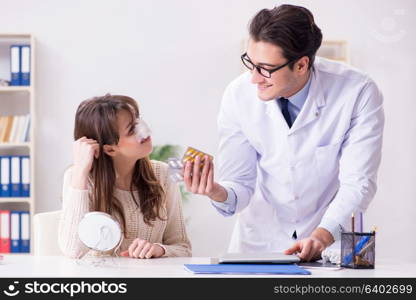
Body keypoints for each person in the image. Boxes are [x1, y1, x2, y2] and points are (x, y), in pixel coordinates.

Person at [183, 4, 384, 261]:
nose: (254, 78)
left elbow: (358, 183)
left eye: (265, 68)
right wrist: (215, 191)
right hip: (258, 245)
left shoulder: (357, 91)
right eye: (250, 63)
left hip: (326, 242)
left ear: (301, 65)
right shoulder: (238, 94)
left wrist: (322, 236)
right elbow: (240, 184)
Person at [59, 94, 191, 259]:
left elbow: (183, 249)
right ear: (110, 149)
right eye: (132, 129)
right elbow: (73, 251)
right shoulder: (78, 178)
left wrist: (159, 250)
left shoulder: (163, 174)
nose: (145, 130)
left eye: (138, 120)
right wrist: (80, 172)